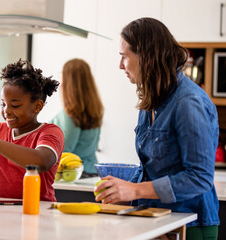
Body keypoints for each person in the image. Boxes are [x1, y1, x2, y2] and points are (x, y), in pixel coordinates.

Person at [94, 18, 219, 239]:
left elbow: (199, 178)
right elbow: (154, 168)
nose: (120, 65)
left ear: (146, 56)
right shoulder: (152, 98)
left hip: (191, 223)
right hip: (158, 218)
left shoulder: (188, 103)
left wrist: (134, 190)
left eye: (124, 56)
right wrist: (123, 190)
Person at [0, 59, 64, 202]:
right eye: (3, 104)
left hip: (37, 213)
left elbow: (41, 162)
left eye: (15, 105)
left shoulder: (50, 132)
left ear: (37, 106)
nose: (6, 111)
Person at [50, 59, 104, 176]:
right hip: (92, 171)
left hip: (74, 174)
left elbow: (65, 149)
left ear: (68, 81)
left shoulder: (70, 112)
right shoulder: (95, 109)